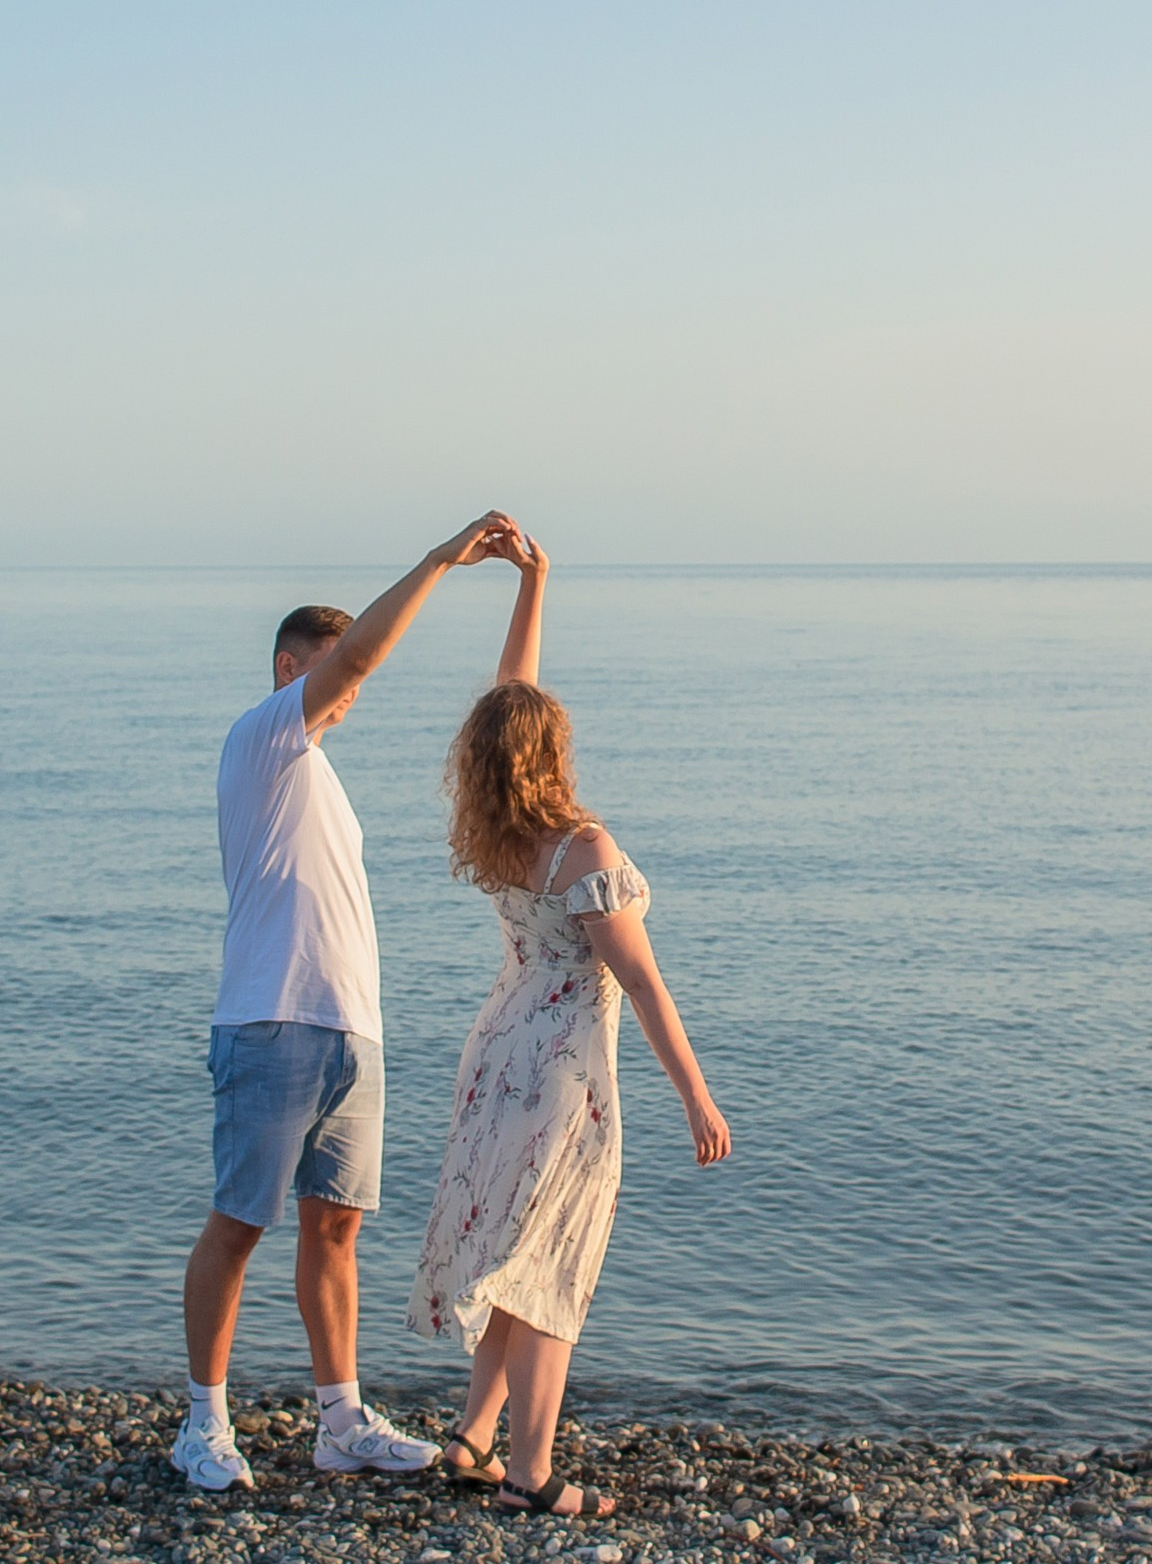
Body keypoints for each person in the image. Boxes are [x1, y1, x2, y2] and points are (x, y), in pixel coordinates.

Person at [172, 510, 525, 1493]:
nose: (350, 687)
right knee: (238, 1223)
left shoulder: (318, 774)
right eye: (331, 668)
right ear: (292, 669)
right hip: (270, 1020)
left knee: (336, 1227)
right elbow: (363, 658)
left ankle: (339, 1418)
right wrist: (440, 560)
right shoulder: (263, 740)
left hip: (346, 1031)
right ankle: (202, 1421)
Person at [405, 533, 733, 1519]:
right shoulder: (584, 849)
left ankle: (470, 1436)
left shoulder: (501, 838)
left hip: (496, 1049)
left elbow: (510, 700)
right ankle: (531, 1472)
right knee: (552, 1260)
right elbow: (643, 985)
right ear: (552, 752)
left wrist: (535, 582)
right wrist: (697, 1095)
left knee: (516, 1242)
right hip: (562, 1072)